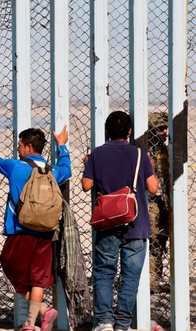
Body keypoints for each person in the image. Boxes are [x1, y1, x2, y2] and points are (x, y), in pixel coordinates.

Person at [0, 125, 71, 331]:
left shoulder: (16, 167)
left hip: (21, 230)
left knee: (9, 264)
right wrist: (62, 146)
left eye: (19, 146)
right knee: (38, 278)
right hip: (46, 232)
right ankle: (30, 323)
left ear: (28, 147)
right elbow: (68, 170)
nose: (18, 150)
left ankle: (43, 312)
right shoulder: (53, 171)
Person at [82, 111, 158, 331]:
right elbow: (153, 188)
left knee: (104, 271)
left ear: (107, 131)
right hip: (136, 223)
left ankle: (105, 321)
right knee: (130, 276)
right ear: (130, 131)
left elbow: (87, 185)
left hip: (107, 223)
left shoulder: (97, 154)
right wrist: (149, 166)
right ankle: (123, 323)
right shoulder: (140, 155)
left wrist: (89, 165)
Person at [147, 112, 170, 294]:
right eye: (160, 129)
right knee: (149, 239)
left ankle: (154, 281)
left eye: (165, 128)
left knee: (160, 239)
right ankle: (146, 281)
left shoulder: (162, 148)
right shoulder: (144, 148)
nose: (164, 132)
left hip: (162, 199)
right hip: (148, 200)